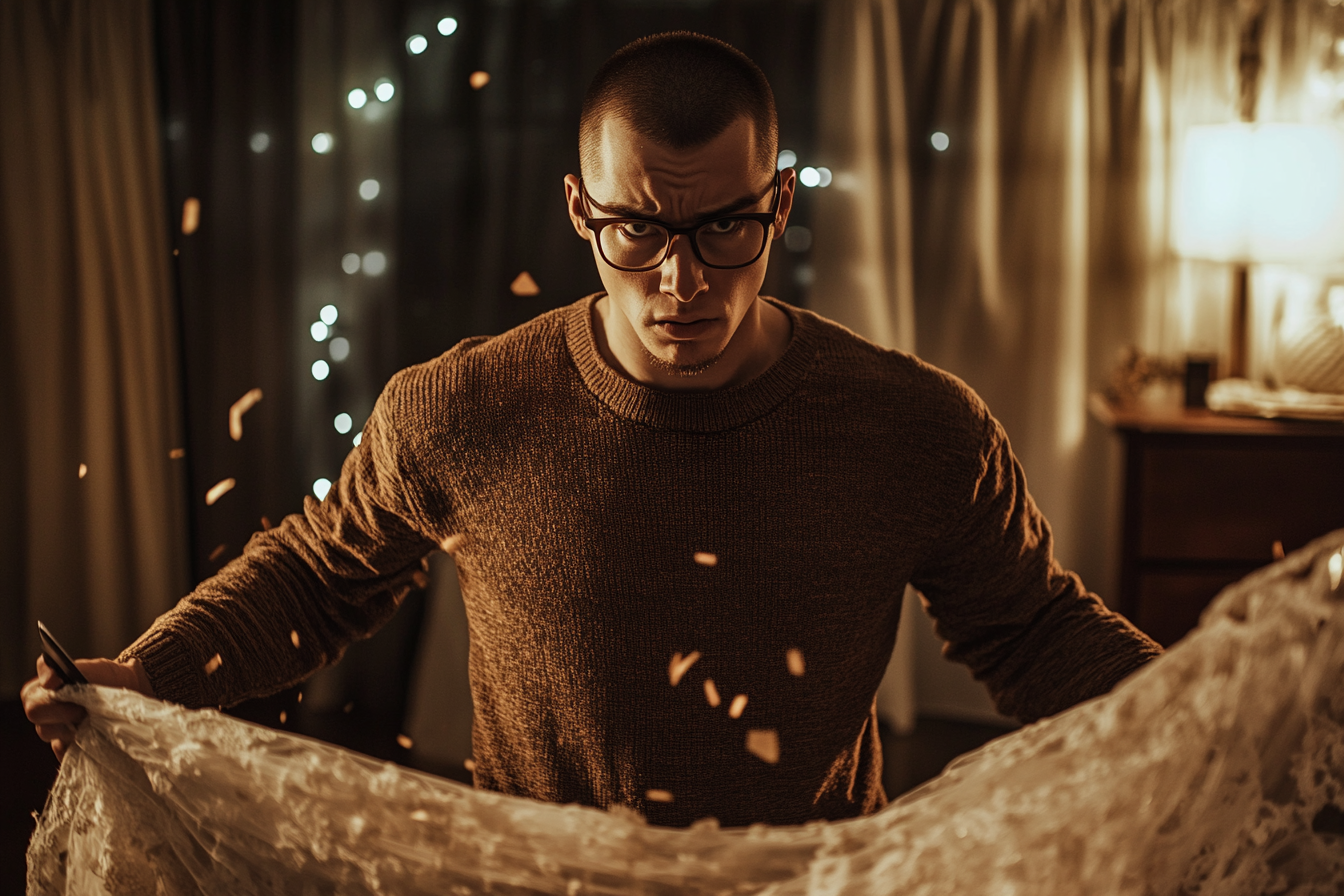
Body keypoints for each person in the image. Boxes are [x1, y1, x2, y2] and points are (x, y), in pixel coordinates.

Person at [23, 31, 1161, 829]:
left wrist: (1225, 705)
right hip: (534, 882)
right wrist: (150, 673)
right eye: (636, 230)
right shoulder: (457, 408)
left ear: (780, 203)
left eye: (725, 229)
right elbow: (318, 576)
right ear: (579, 207)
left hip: (811, 880)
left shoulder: (918, 424)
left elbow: (1033, 630)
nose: (682, 282)